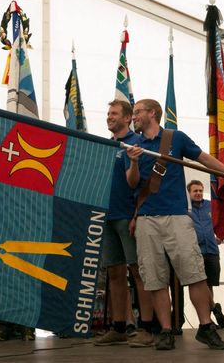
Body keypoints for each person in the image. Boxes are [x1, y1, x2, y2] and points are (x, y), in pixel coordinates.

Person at [125, 98, 224, 350]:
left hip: (177, 217)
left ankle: (205, 327)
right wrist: (132, 161)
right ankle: (165, 330)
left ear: (153, 113)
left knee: (194, 274)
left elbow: (205, 159)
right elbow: (132, 183)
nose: (134, 117)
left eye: (138, 112)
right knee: (154, 278)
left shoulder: (176, 138)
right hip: (147, 219)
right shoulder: (132, 145)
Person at [94, 99, 154, 348]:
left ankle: (147, 328)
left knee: (138, 272)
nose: (109, 117)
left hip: (128, 217)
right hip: (107, 217)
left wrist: (136, 215)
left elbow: (146, 185)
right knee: (115, 273)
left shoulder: (137, 144)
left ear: (128, 118)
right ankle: (119, 326)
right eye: (108, 113)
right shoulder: (104, 146)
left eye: (115, 113)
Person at [186, 180, 224, 329]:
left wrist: (221, 235)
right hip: (196, 252)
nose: (198, 193)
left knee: (210, 286)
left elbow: (222, 220)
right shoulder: (185, 208)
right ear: (189, 193)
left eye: (200, 190)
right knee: (200, 284)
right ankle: (214, 309)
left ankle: (210, 320)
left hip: (212, 251)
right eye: (195, 191)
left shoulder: (211, 205)